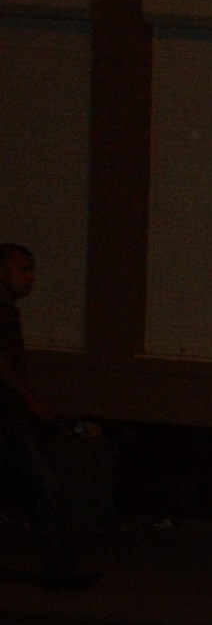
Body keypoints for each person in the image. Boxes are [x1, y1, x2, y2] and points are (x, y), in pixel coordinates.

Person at [0, 243, 94, 589]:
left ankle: (58, 568)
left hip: (10, 419)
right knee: (43, 488)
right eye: (22, 269)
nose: (31, 277)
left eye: (32, 270)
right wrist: (31, 401)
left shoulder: (8, 311)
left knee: (40, 490)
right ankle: (58, 569)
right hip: (7, 421)